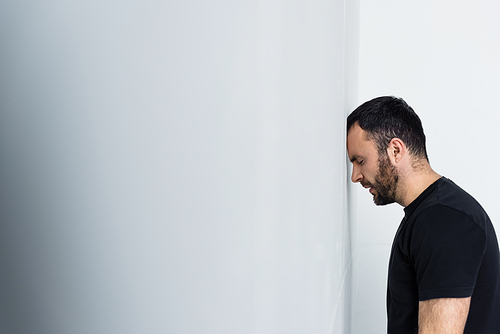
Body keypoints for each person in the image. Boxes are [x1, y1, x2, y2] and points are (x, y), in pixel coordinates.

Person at [346, 96, 500, 334]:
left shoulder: (445, 220)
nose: (355, 176)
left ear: (395, 150)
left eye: (360, 160)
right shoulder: (431, 214)